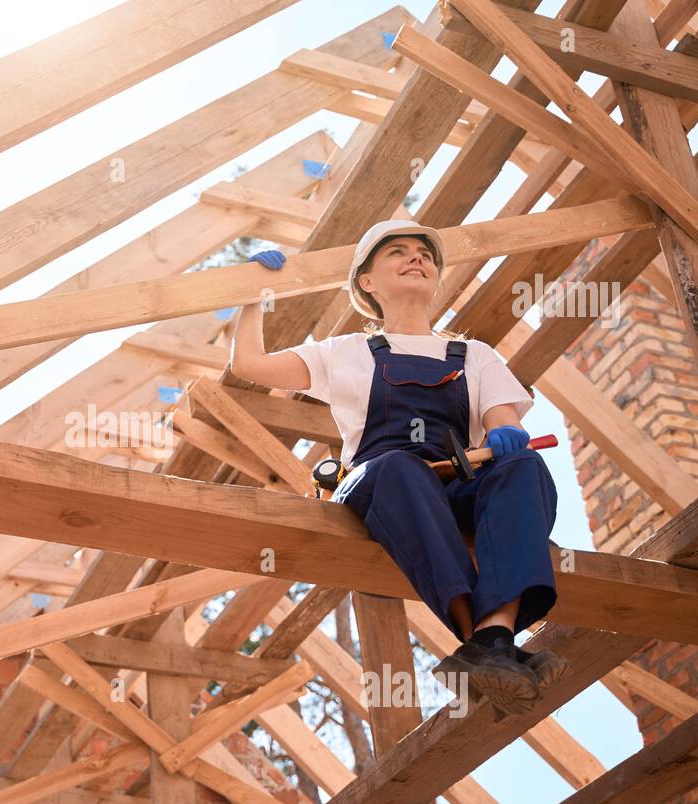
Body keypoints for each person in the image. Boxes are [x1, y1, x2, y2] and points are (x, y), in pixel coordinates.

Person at [229, 221, 567, 715]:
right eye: (398, 252)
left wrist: (506, 434)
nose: (417, 258)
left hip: (454, 487)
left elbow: (503, 419)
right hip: (381, 484)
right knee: (400, 468)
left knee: (525, 468)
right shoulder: (344, 352)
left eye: (425, 254)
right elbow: (249, 365)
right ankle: (486, 642)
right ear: (367, 282)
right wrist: (251, 296)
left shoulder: (475, 356)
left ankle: (491, 642)